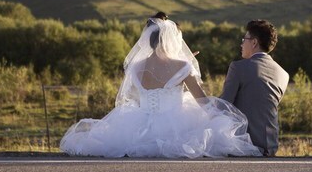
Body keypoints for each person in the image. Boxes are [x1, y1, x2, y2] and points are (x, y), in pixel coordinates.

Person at [60, 14, 261, 158]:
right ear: (172, 40)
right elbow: (201, 101)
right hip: (175, 125)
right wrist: (219, 117)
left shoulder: (135, 67)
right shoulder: (182, 66)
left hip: (138, 124)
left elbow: (133, 97)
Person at [220, 20, 289, 157]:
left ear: (254, 42)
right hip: (270, 146)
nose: (241, 44)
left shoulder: (238, 67)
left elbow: (223, 106)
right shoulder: (283, 74)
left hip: (242, 145)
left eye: (244, 39)